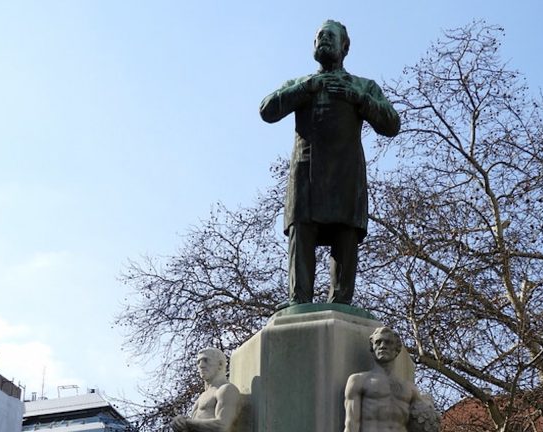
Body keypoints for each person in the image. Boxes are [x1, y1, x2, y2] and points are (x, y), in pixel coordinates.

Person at [260, 20, 400, 308]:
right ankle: (298, 299)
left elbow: (391, 124)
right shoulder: (301, 84)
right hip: (306, 173)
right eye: (318, 37)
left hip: (346, 174)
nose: (322, 39)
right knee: (302, 231)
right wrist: (306, 88)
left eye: (329, 36)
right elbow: (267, 110)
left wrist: (358, 99)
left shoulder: (362, 86)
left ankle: (341, 302)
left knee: (345, 234)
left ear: (344, 47)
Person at [344, 327, 439, 432]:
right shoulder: (359, 381)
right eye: (378, 342)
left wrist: (428, 403)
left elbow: (425, 422)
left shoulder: (410, 389)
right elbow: (351, 423)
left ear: (397, 350)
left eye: (388, 342)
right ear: (372, 348)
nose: (383, 346)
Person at [170, 348, 240, 432]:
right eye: (198, 362)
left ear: (220, 364)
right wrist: (179, 423)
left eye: (206, 360)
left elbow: (222, 426)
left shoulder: (227, 389)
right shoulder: (201, 397)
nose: (201, 365)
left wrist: (187, 423)